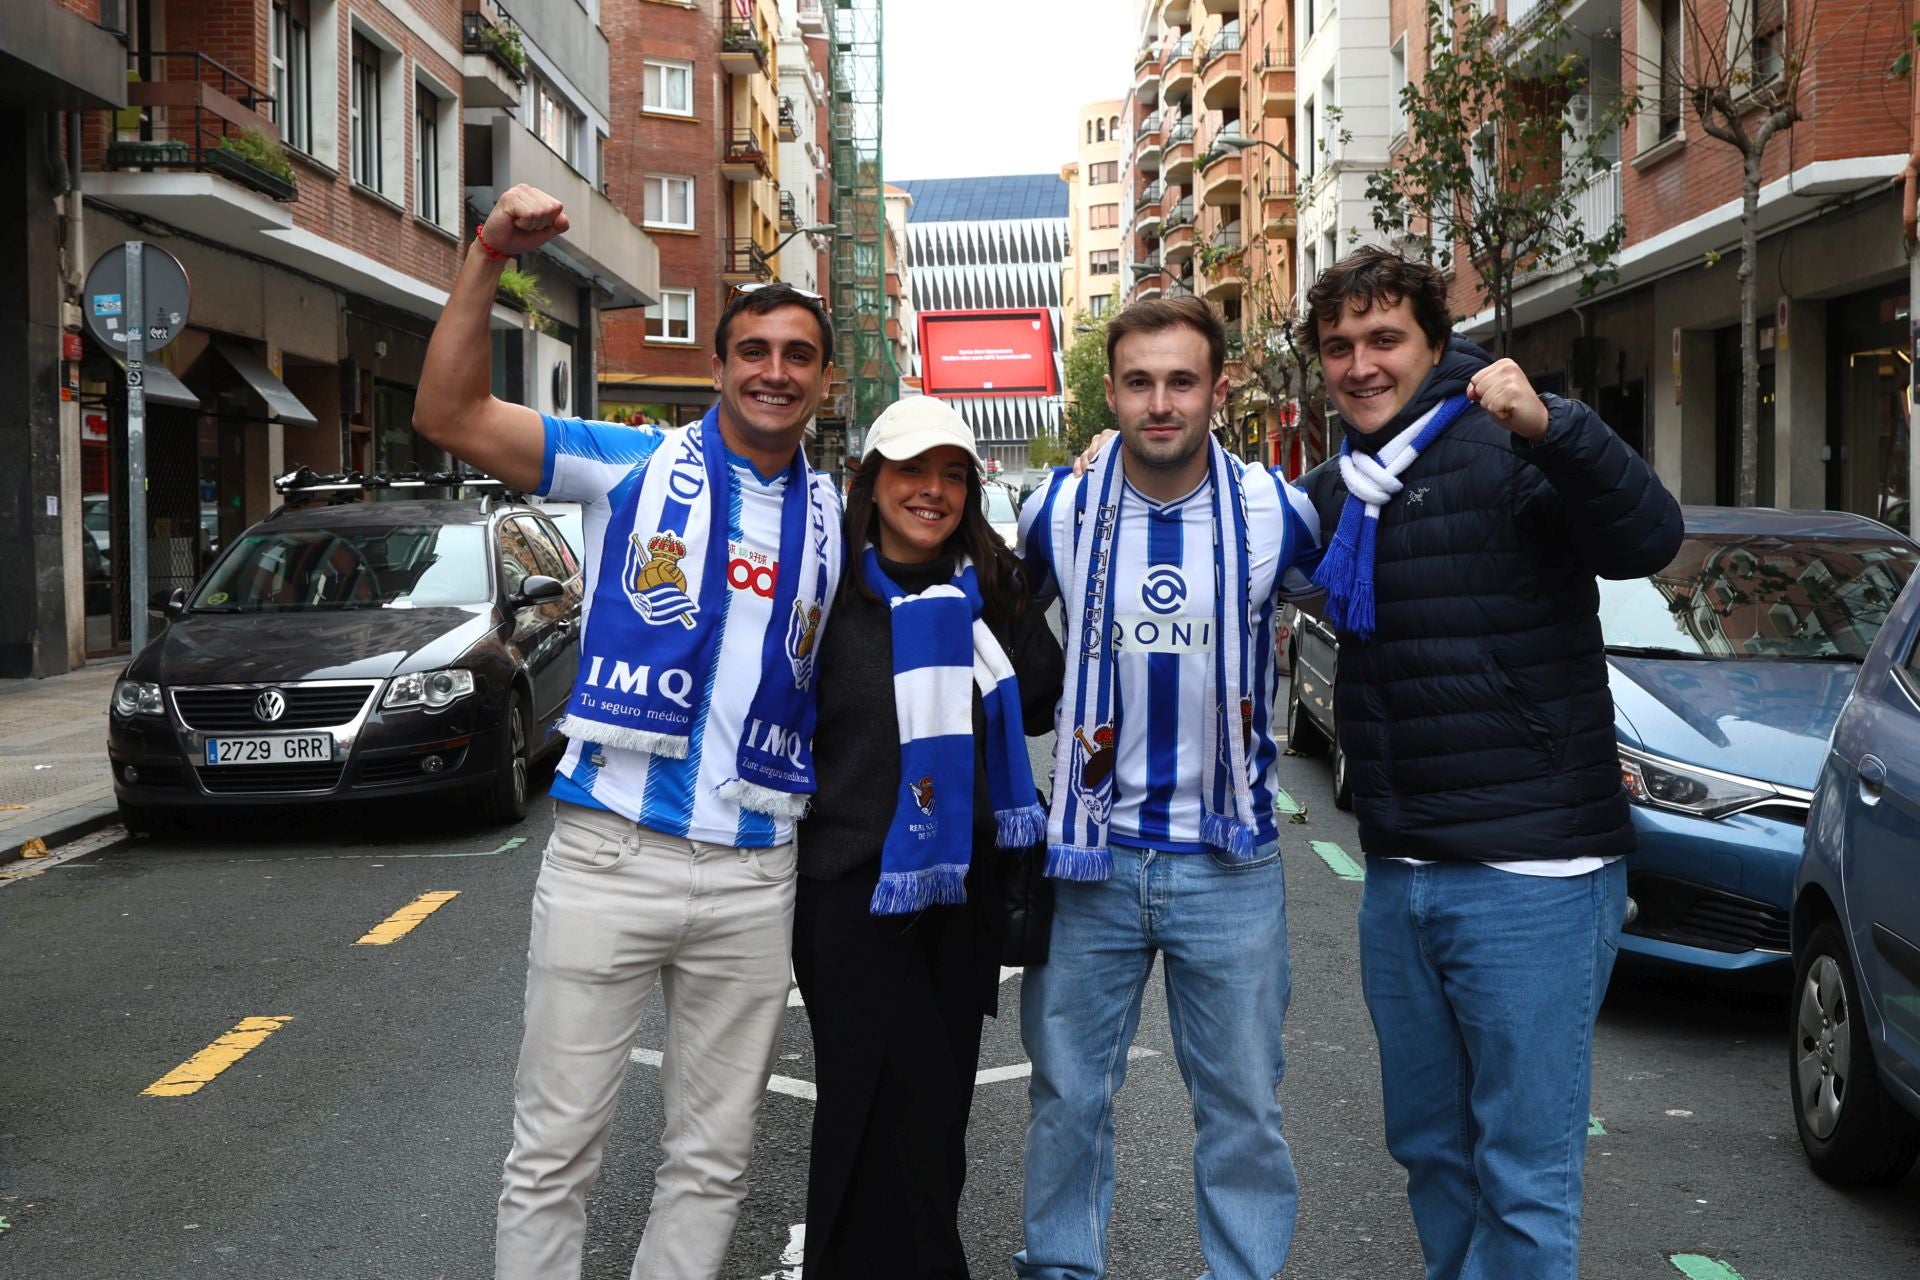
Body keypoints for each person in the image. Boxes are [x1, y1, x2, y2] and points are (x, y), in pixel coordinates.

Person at [412, 184, 844, 1280]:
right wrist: (486, 255)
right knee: (554, 1151)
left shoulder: (844, 512)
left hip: (755, 868)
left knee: (713, 1161)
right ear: (719, 366)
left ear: (824, 378)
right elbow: (451, 414)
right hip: (611, 853)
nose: (776, 371)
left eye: (799, 353)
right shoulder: (628, 460)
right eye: (754, 349)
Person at [1292, 246, 1683, 1280]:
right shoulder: (1343, 491)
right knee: (1431, 1152)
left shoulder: (1509, 444)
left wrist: (1558, 424)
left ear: (1435, 342)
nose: (1361, 364)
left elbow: (1650, 533)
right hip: (1404, 874)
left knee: (1523, 1172)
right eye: (1340, 345)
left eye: (1385, 340)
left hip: (1535, 876)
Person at [1013, 295, 1322, 1280]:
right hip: (1089, 863)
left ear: (1217, 390)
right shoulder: (1053, 511)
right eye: (1139, 381)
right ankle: (1060, 1267)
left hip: (1227, 868)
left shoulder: (1281, 510)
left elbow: (1367, 611)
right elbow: (993, 636)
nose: (1160, 402)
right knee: (1068, 1097)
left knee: (1244, 1109)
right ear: (1110, 391)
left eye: (1181, 380)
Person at [792, 395, 1062, 1279]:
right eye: (912, 471)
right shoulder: (826, 591)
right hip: (848, 886)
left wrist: (985, 628)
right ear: (871, 483)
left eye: (953, 475)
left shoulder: (998, 584)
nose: (933, 492)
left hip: (962, 894)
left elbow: (1040, 704)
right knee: (861, 1107)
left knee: (936, 1115)